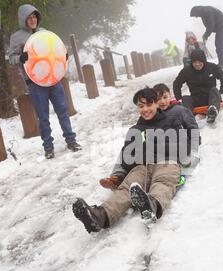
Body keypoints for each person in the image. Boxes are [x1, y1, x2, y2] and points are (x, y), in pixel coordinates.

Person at [73, 88, 190, 233]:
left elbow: (184, 149)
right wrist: (138, 151)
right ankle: (101, 216)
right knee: (127, 187)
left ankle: (152, 206)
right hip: (142, 166)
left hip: (167, 162)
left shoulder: (172, 121)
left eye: (149, 104)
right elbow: (127, 161)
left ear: (156, 104)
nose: (145, 109)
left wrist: (155, 144)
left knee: (163, 181)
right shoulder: (135, 129)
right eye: (141, 106)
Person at [8, 4, 81, 159]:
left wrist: (63, 56)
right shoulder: (17, 37)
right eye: (29, 18)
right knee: (43, 117)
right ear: (23, 20)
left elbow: (56, 49)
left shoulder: (44, 32)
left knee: (63, 111)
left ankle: (71, 141)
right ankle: (48, 148)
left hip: (53, 79)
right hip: (35, 82)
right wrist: (21, 58)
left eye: (34, 16)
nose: (32, 20)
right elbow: (11, 59)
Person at [99, 83, 200, 190]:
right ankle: (118, 176)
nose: (162, 102)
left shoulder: (178, 110)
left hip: (175, 147)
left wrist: (193, 149)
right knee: (128, 149)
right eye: (159, 98)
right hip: (154, 150)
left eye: (164, 97)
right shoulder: (148, 116)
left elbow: (191, 129)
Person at [173, 49, 223, 124]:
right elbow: (176, 84)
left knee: (214, 90)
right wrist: (178, 98)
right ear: (192, 62)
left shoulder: (212, 67)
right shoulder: (186, 71)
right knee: (185, 98)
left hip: (211, 98)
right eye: (195, 62)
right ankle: (187, 117)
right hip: (196, 99)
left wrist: (222, 92)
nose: (197, 64)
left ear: (204, 60)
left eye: (199, 61)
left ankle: (212, 111)